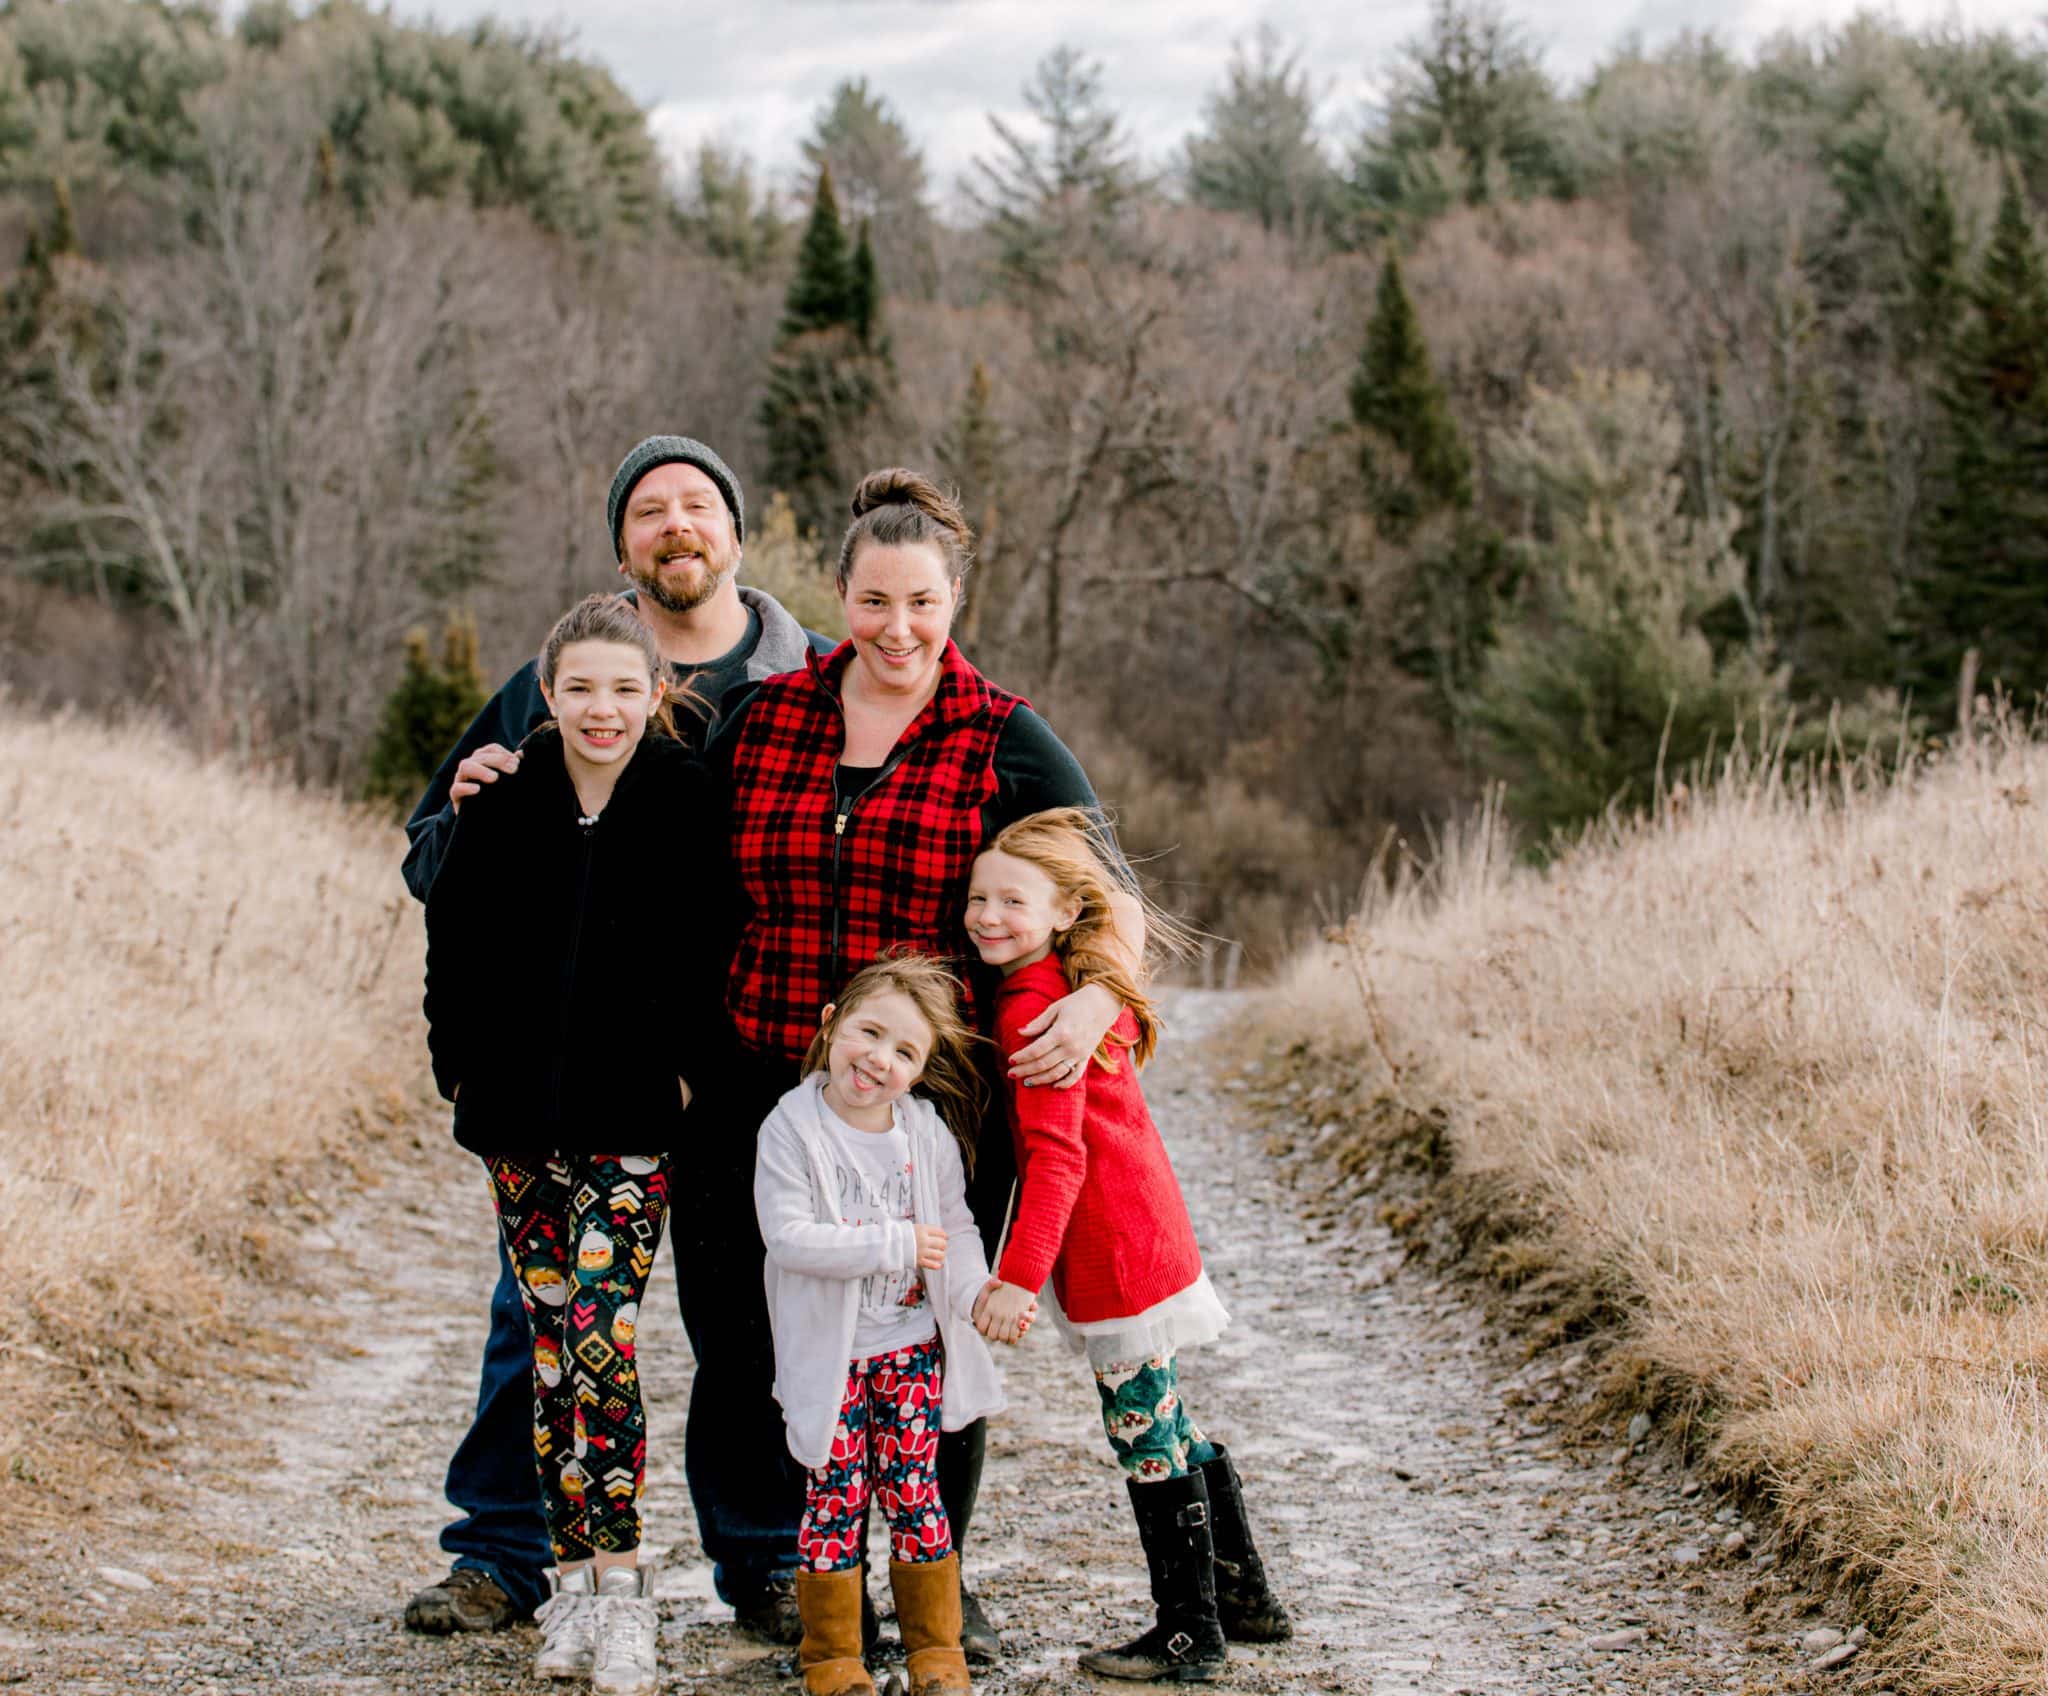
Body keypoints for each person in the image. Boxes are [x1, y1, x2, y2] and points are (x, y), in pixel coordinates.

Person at [709, 468, 1146, 1661]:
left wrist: (1103, 991)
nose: (896, 629)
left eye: (921, 603)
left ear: (955, 599)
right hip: (765, 1081)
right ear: (836, 596)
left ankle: (929, 1570)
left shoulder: (1001, 734)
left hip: (935, 1105)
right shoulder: (768, 717)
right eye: (871, 601)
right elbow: (679, 869)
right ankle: (779, 1575)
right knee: (759, 1327)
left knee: (925, 1327)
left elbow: (1104, 888)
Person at [401, 436, 830, 1640]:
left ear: (736, 533)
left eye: (699, 504)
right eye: (651, 510)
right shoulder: (561, 676)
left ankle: (763, 1561)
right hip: (554, 1088)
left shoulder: (807, 675)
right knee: (538, 1325)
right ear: (623, 544)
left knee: (738, 1312)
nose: (676, 524)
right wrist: (472, 817)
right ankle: (501, 1555)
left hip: (731, 1070)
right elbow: (437, 864)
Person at [422, 595, 727, 1695]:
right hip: (517, 1126)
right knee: (550, 1355)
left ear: (658, 695)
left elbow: (713, 951)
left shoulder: (688, 801)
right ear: (546, 696)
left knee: (600, 1341)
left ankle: (629, 1590)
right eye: (580, 687)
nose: (603, 708)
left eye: (624, 687)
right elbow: (450, 943)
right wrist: (456, 1062)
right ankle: (571, 1586)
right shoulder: (502, 805)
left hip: (631, 1130)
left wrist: (687, 1073)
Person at [966, 808, 1292, 1684]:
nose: (987, 916)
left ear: (1068, 911)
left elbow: (1056, 1159)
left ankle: (1191, 1631)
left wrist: (1016, 1279)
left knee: (1144, 1430)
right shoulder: (1074, 980)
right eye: (978, 898)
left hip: (1115, 1248)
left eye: (1012, 901)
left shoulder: (1038, 1008)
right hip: (1150, 1229)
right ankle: (1244, 1595)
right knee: (1170, 1414)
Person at [754, 956, 1019, 1696]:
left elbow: (957, 1229)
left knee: (916, 1494)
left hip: (909, 1354)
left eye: (905, 1051)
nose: (879, 1059)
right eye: (869, 1032)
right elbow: (788, 1237)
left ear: (922, 1068)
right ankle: (833, 1658)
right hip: (832, 1362)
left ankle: (936, 1653)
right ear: (830, 1022)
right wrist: (894, 1243)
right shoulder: (791, 1128)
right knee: (834, 1499)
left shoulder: (922, 1128)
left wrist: (974, 1294)